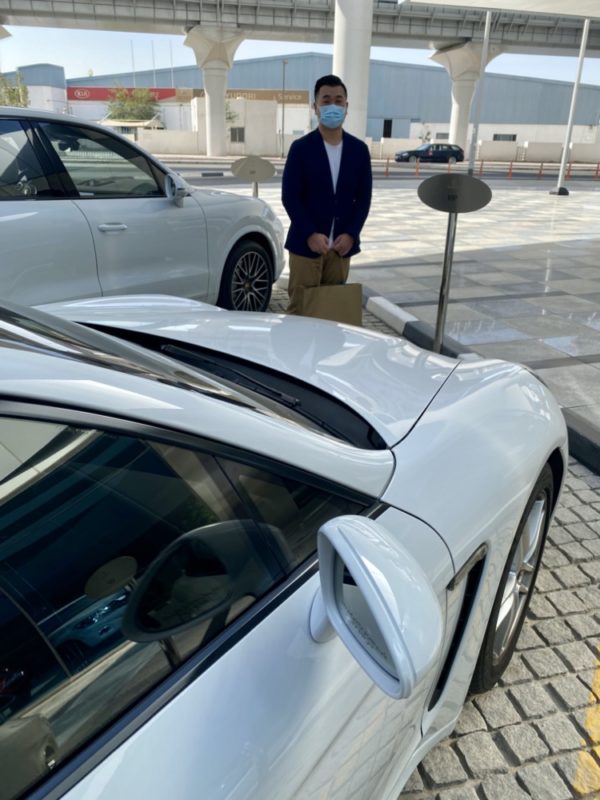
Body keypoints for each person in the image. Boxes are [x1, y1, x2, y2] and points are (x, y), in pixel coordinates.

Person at [281, 74, 372, 314]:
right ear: (316, 107)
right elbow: (290, 196)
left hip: (341, 249)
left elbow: (363, 199)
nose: (333, 105)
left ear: (346, 107)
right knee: (301, 310)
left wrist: (352, 234)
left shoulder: (359, 151)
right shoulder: (301, 149)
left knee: (333, 313)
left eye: (339, 100)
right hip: (306, 245)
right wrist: (310, 233)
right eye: (326, 100)